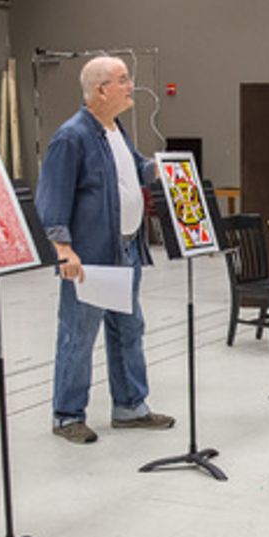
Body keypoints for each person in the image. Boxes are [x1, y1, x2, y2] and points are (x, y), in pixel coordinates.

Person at [35, 55, 174, 443]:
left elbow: (131, 170)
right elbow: (52, 198)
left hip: (125, 251)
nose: (131, 86)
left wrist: (159, 169)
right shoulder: (71, 137)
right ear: (100, 89)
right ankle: (67, 416)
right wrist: (64, 248)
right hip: (92, 259)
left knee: (128, 329)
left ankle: (130, 407)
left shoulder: (114, 129)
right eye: (123, 79)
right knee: (78, 335)